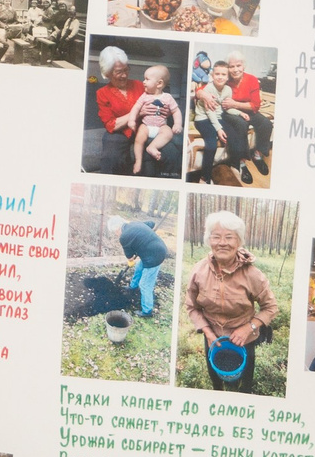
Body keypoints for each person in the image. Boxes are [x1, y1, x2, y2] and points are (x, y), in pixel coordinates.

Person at [187, 210, 278, 393]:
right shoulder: (198, 271)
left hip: (245, 339)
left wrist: (249, 328)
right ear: (209, 240)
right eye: (216, 237)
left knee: (245, 381)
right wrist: (208, 332)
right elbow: (192, 307)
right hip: (213, 338)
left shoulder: (253, 275)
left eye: (229, 237)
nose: (222, 243)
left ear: (239, 241)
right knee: (215, 379)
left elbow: (270, 308)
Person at [107, 213, 172, 318]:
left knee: (145, 285)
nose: (116, 234)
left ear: (117, 229)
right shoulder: (134, 224)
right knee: (139, 268)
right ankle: (133, 286)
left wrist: (130, 260)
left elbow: (130, 256)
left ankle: (147, 311)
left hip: (154, 256)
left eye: (115, 232)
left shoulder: (123, 237)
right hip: (155, 249)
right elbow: (151, 223)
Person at [128, 64, 182, 176]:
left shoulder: (167, 97)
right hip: (146, 125)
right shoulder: (144, 96)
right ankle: (138, 162)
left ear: (159, 83)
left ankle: (152, 147)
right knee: (139, 138)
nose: (143, 82)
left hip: (160, 126)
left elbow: (176, 111)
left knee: (168, 132)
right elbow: (136, 108)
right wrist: (132, 120)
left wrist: (177, 124)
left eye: (147, 79)